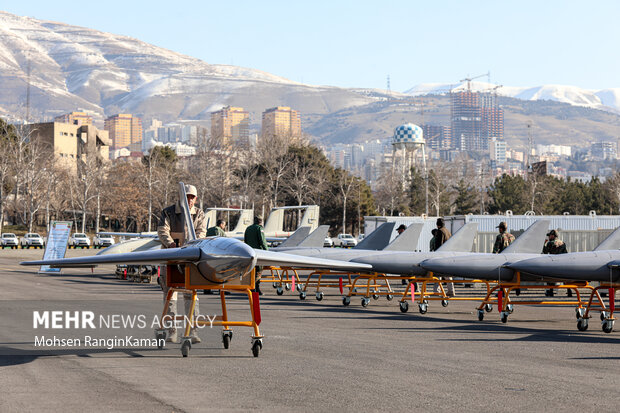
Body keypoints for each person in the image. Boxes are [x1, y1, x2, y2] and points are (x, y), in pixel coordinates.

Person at [157, 184, 207, 344]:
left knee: (192, 295)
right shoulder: (168, 212)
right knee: (170, 295)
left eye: (192, 197)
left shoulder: (199, 213)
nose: (189, 200)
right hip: (170, 259)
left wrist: (192, 245)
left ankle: (193, 331)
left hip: (191, 260)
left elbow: (202, 232)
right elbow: (162, 231)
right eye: (187, 196)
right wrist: (172, 245)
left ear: (196, 198)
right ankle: (172, 330)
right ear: (180, 197)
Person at [244, 216, 269, 295]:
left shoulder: (248, 229)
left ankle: (251, 288)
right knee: (258, 272)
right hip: (258, 254)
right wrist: (267, 252)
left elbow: (246, 241)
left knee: (251, 271)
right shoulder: (259, 228)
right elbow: (262, 241)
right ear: (260, 222)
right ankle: (256, 289)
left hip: (249, 253)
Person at [432, 218, 455, 296]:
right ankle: (451, 290)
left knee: (437, 274)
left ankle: (436, 291)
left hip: (441, 256)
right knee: (447, 274)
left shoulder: (440, 231)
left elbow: (439, 244)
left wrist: (435, 254)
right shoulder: (448, 231)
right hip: (448, 255)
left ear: (437, 225)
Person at [542, 229, 568, 297]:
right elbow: (566, 253)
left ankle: (550, 291)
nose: (549, 237)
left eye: (550, 236)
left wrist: (544, 244)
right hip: (562, 263)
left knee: (549, 278)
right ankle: (569, 291)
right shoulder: (562, 243)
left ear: (553, 236)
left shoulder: (549, 243)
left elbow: (545, 252)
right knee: (564, 279)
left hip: (553, 262)